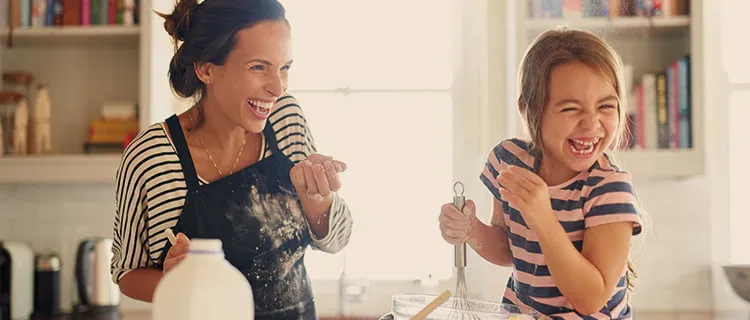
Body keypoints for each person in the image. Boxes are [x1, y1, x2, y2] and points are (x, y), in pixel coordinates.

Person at [110, 0, 353, 318]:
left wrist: (318, 200)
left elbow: (336, 241)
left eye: (284, 68)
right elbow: (127, 273)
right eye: (258, 67)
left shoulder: (286, 120)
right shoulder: (154, 156)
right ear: (206, 68)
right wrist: (175, 281)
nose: (277, 87)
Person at [439, 27, 645, 319]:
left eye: (606, 106)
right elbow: (510, 249)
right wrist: (471, 230)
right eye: (571, 108)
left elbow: (590, 299)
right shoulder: (509, 162)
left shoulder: (609, 190)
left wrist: (543, 220)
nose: (591, 123)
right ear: (529, 110)